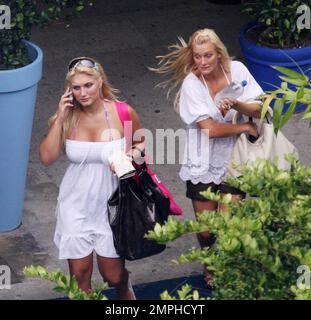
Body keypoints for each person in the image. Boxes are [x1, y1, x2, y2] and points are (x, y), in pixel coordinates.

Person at [151, 28, 264, 285]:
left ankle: (227, 267)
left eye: (208, 56)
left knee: (227, 224)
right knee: (206, 231)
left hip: (234, 159)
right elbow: (210, 130)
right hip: (202, 161)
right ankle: (209, 260)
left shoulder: (237, 70)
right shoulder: (192, 83)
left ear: (219, 54)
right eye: (198, 56)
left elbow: (258, 108)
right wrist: (244, 127)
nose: (202, 62)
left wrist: (237, 105)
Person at [39, 57, 144, 299]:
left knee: (113, 275)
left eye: (88, 85)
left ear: (100, 82)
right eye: (76, 88)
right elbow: (46, 157)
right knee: (80, 274)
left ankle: (125, 288)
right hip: (75, 204)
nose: (83, 92)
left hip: (114, 204)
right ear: (69, 90)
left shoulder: (122, 112)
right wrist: (60, 116)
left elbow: (141, 142)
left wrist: (130, 155)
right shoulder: (67, 117)